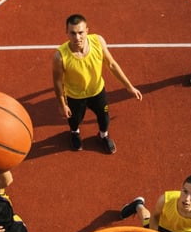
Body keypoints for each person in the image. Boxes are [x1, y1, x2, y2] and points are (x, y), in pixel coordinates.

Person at [52, 13, 143, 154]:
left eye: (81, 32)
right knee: (74, 120)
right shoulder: (60, 56)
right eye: (73, 33)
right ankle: (75, 133)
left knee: (104, 118)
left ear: (87, 31)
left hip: (97, 92)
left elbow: (111, 64)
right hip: (75, 96)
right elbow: (57, 81)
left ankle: (103, 136)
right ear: (67, 33)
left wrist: (129, 87)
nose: (77, 38)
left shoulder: (98, 41)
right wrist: (62, 104)